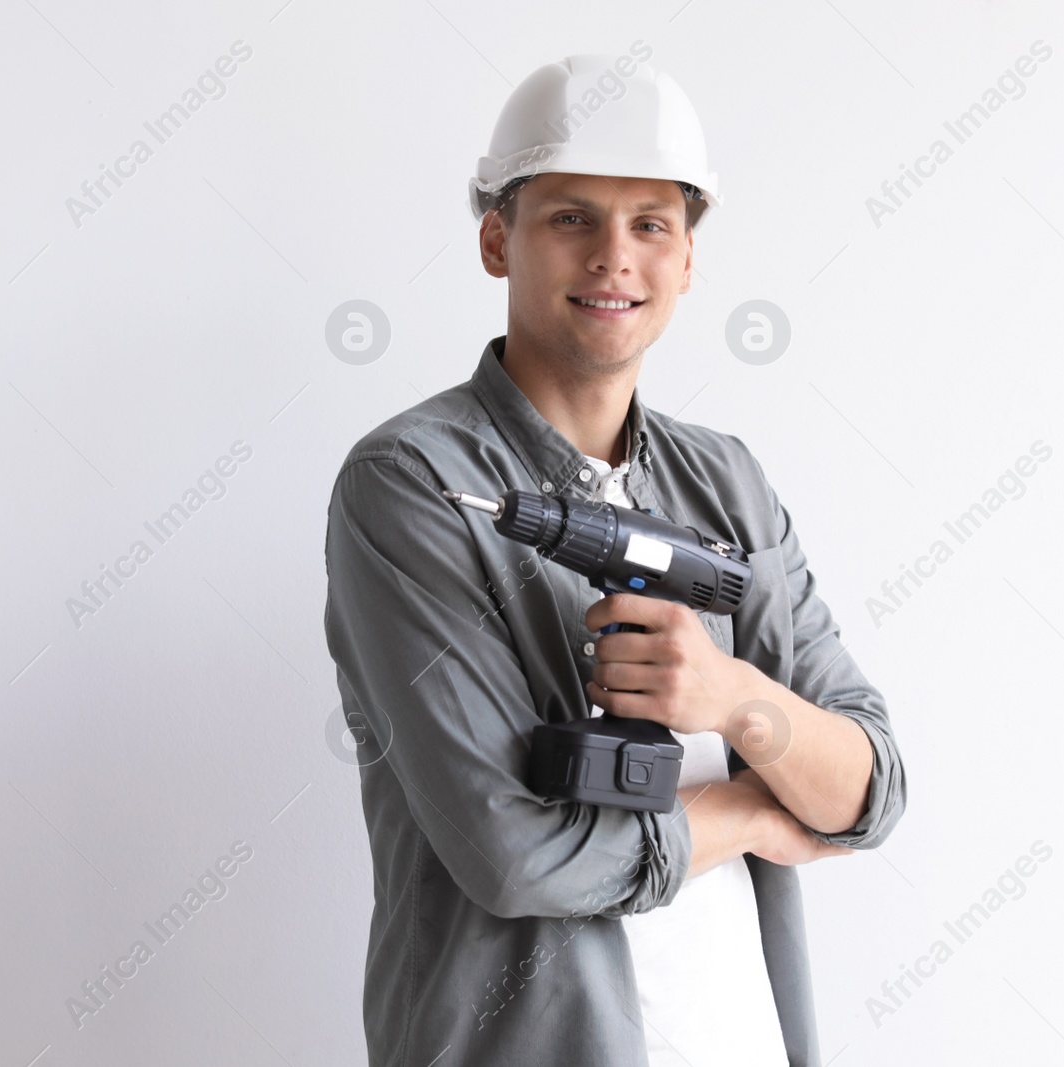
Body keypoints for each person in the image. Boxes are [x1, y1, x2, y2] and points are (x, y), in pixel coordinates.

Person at [324, 52, 907, 1067]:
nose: (613, 256)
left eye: (650, 223)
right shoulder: (412, 481)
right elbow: (511, 852)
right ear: (496, 240)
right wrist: (743, 809)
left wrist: (732, 701)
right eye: (570, 217)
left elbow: (867, 788)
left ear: (687, 259)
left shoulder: (726, 483)